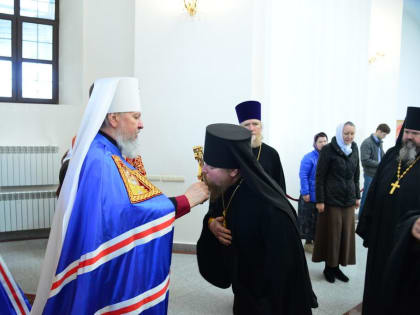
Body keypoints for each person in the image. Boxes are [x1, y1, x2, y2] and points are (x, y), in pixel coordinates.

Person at [32, 77, 209, 314]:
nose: (142, 124)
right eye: (135, 117)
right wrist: (187, 199)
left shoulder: (106, 150)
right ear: (113, 118)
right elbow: (129, 213)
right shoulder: (102, 160)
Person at [196, 123, 315, 315]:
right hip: (244, 289)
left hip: (266, 300)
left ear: (234, 170)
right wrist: (211, 225)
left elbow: (284, 274)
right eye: (205, 163)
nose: (204, 170)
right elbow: (214, 213)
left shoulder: (269, 208)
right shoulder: (227, 186)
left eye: (211, 166)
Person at [356, 106, 420, 315]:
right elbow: (373, 191)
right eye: (407, 132)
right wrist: (368, 225)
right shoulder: (392, 155)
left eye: (416, 134)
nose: (409, 137)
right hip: (382, 235)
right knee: (376, 283)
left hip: (407, 243)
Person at [313, 122, 360, 283]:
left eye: (352, 134)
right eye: (346, 133)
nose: (349, 137)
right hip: (331, 201)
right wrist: (320, 200)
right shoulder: (328, 150)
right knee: (332, 236)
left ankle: (337, 267)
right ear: (340, 133)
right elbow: (320, 177)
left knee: (344, 236)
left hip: (348, 201)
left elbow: (356, 174)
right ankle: (329, 268)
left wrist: (357, 196)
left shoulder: (355, 148)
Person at [235, 100, 286, 192]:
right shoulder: (233, 151)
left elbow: (280, 185)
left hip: (265, 205)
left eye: (255, 124)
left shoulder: (271, 153)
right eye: (246, 125)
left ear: (261, 127)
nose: (251, 128)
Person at [298, 132, 328, 253]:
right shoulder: (308, 157)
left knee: (319, 220)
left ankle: (318, 241)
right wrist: (305, 192)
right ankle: (308, 243)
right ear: (315, 143)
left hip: (322, 195)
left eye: (325, 141)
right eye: (320, 141)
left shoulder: (328, 157)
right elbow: (303, 175)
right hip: (310, 195)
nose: (323, 143)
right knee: (307, 220)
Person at [359, 123, 390, 218]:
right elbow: (365, 160)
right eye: (384, 135)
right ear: (379, 131)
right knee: (366, 197)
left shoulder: (379, 143)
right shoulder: (367, 143)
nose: (384, 137)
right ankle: (361, 219)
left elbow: (382, 156)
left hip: (378, 175)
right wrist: (380, 164)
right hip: (369, 175)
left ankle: (369, 220)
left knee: (374, 198)